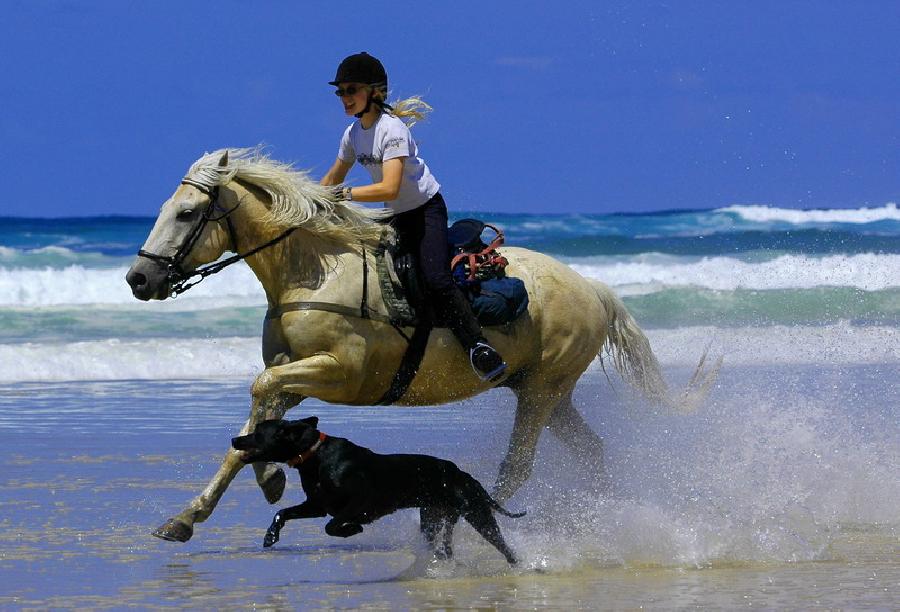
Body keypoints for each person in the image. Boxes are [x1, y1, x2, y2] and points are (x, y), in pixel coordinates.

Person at [320, 52, 507, 382]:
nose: (345, 98)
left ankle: (479, 348)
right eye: (341, 92)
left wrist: (345, 195)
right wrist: (311, 203)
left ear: (374, 92)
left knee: (435, 278)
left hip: (425, 212)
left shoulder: (392, 130)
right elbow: (334, 175)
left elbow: (389, 187)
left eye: (351, 90)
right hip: (394, 215)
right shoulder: (352, 134)